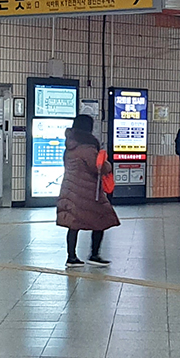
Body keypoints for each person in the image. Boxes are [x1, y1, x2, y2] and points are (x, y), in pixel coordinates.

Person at [57, 113, 119, 267]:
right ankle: (94, 255)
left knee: (73, 223)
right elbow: (97, 167)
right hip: (88, 191)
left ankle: (71, 257)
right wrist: (107, 164)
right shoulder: (88, 148)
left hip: (69, 189)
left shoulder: (70, 146)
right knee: (101, 219)